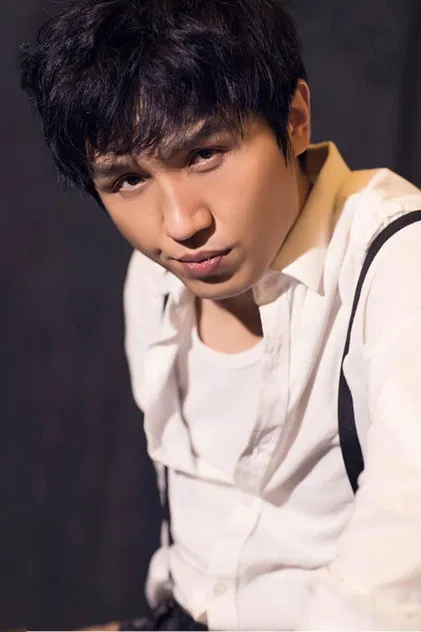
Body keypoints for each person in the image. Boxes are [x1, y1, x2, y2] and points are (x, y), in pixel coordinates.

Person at [20, 0, 421, 629]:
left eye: (204, 153)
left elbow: (387, 597)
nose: (182, 224)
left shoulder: (397, 264)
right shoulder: (154, 281)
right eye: (127, 181)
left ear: (293, 119)